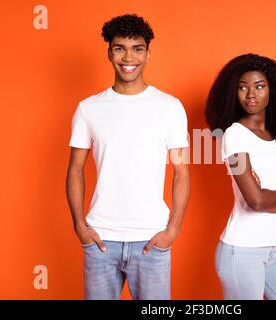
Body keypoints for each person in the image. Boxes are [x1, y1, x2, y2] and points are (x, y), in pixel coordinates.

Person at [66, 14, 190, 300]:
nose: (128, 57)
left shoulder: (169, 107)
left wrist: (172, 230)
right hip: (101, 241)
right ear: (109, 52)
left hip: (151, 239)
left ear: (148, 54)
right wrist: (80, 227)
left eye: (137, 48)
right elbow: (75, 170)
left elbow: (182, 171)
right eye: (120, 48)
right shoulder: (88, 109)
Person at [205, 53, 276, 300]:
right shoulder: (234, 136)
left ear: (273, 91)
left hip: (273, 250)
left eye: (259, 86)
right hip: (241, 251)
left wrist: (269, 196)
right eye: (242, 88)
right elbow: (256, 201)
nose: (251, 94)